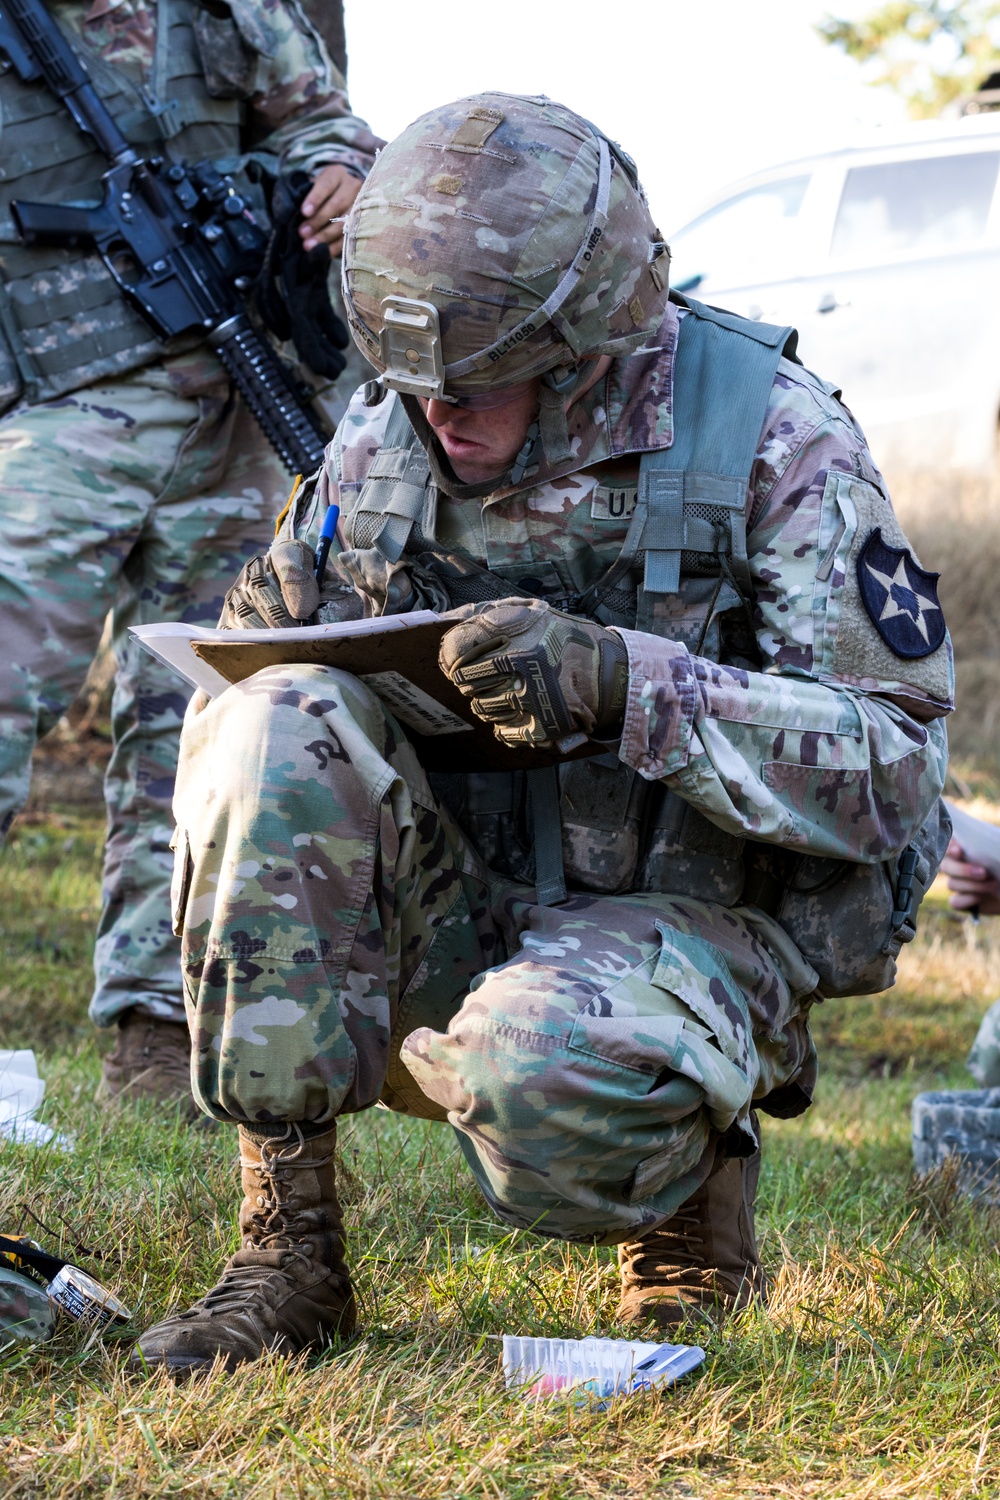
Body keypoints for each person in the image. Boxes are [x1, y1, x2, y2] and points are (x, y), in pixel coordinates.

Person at [130, 93, 954, 1374]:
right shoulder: (391, 427)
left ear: (581, 346)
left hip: (684, 929)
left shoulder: (769, 433)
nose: (436, 415)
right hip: (458, 900)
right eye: (411, 383)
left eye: (479, 382)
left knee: (545, 1088)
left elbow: (896, 776)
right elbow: (299, 683)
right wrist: (275, 623)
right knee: (264, 723)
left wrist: (632, 690)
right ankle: (287, 1254)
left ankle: (692, 1198)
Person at [0, 0, 381, 1113]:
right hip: (59, 412)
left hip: (234, 401)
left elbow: (327, 127)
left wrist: (339, 176)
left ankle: (158, 1036)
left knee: (202, 723)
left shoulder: (225, 7)